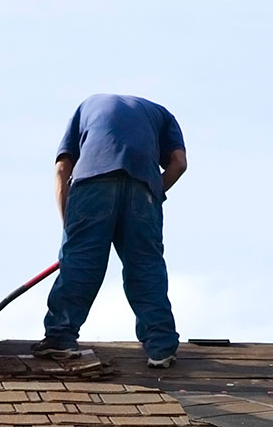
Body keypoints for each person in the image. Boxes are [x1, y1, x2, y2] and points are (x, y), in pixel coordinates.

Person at [31, 94, 187, 368]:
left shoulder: (87, 107)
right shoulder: (162, 114)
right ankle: (161, 346)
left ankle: (60, 338)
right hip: (143, 188)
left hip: (92, 183)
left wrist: (70, 224)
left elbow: (61, 169)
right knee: (146, 265)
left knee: (81, 263)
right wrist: (153, 191)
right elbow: (179, 163)